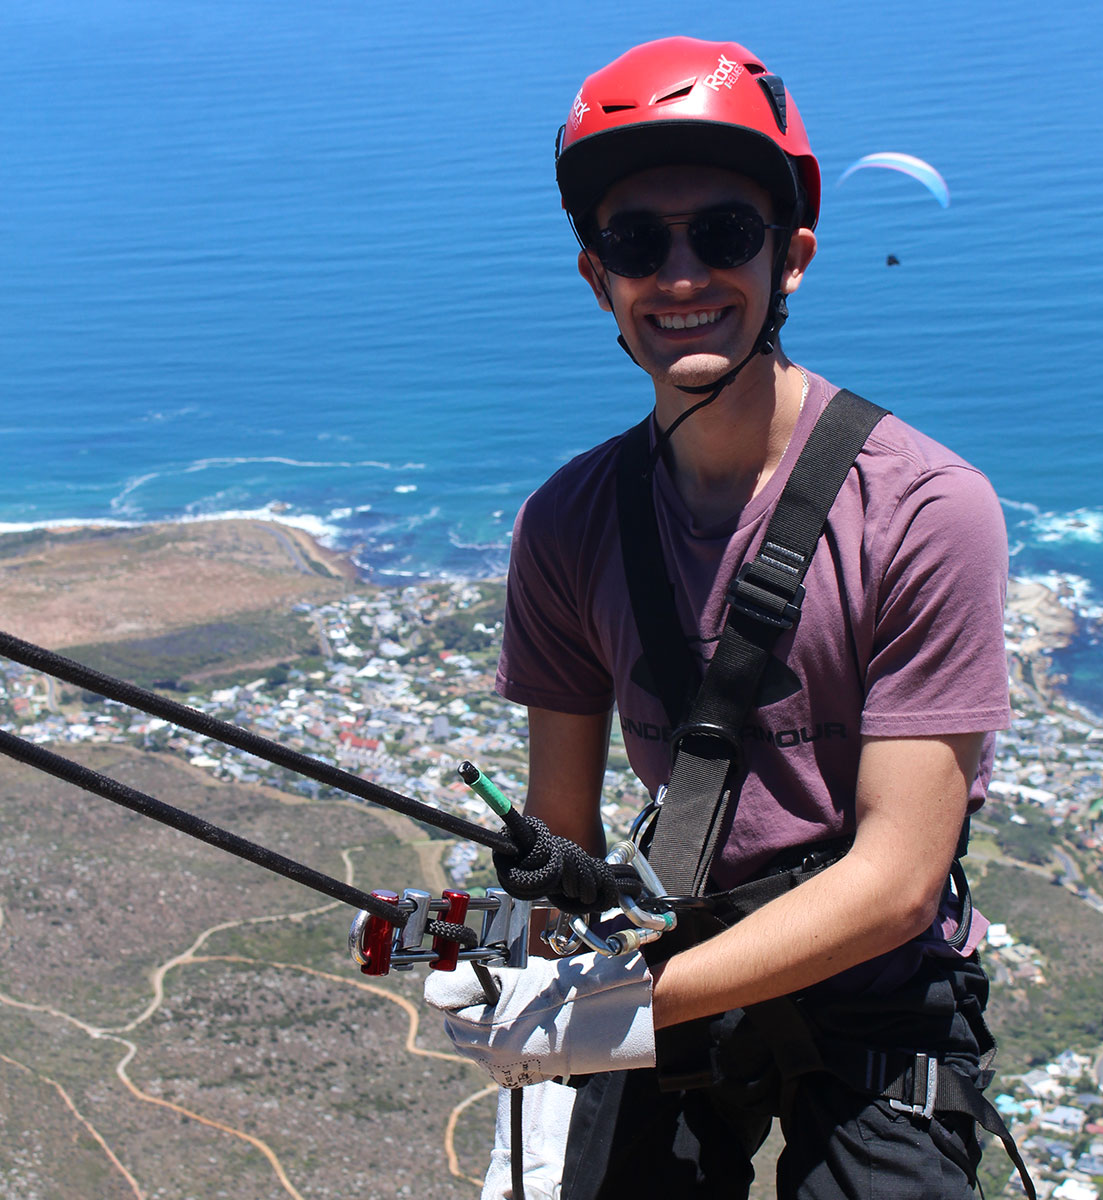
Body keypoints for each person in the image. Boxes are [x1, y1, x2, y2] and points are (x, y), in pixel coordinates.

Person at [426, 36, 1029, 1200]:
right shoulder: (569, 525)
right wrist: (527, 950)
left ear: (791, 259)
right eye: (637, 243)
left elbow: (898, 879)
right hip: (673, 941)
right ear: (599, 278)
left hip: (875, 978)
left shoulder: (924, 509)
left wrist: (602, 1008)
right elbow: (564, 839)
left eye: (725, 234)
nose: (682, 273)